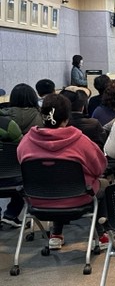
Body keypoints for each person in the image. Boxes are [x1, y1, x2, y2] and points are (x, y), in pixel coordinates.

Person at [16, 93, 108, 250]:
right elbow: (99, 168)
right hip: (77, 198)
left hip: (38, 199)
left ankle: (56, 235)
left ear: (43, 116)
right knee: (103, 184)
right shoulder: (81, 141)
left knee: (54, 183)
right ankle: (101, 234)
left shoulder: (26, 142)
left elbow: (22, 165)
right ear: (66, 118)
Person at [0, 113, 24, 227]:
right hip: (12, 180)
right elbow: (22, 146)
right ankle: (11, 214)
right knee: (26, 179)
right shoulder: (8, 124)